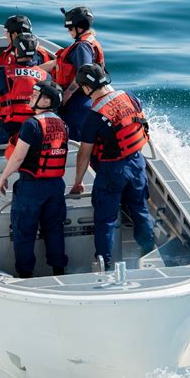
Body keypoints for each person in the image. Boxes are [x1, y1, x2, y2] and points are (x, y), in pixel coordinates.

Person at [69, 63, 154, 270]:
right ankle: (149, 251)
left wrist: (78, 182)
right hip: (137, 163)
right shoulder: (130, 96)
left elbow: (84, 154)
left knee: (105, 218)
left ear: (87, 88)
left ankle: (104, 263)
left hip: (112, 171)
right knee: (140, 209)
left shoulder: (94, 115)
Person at [0, 80, 69, 278]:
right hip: (55, 186)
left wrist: (3, 177)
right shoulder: (62, 124)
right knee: (54, 230)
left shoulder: (31, 124)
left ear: (47, 101)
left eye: (36, 95)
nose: (30, 97)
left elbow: (18, 157)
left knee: (24, 231)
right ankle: (58, 271)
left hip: (31, 187)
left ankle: (25, 274)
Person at [40, 6, 104, 141]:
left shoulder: (82, 47)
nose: (69, 32)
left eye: (70, 28)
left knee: (71, 137)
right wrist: (34, 69)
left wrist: (67, 94)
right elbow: (55, 63)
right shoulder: (90, 42)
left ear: (79, 28)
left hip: (78, 101)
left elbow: (84, 74)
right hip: (86, 98)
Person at [0, 33, 50, 144]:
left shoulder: (4, 74)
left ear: (17, 51)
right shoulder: (45, 76)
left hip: (10, 127)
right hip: (37, 126)